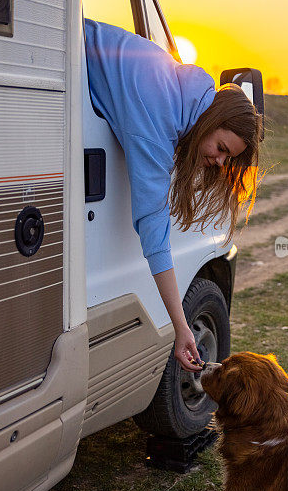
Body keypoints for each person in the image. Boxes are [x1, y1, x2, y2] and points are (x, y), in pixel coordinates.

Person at [85, 19, 261, 372]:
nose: (219, 160)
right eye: (222, 147)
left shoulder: (181, 87)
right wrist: (182, 328)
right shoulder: (160, 113)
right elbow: (153, 225)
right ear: (213, 119)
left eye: (228, 158)